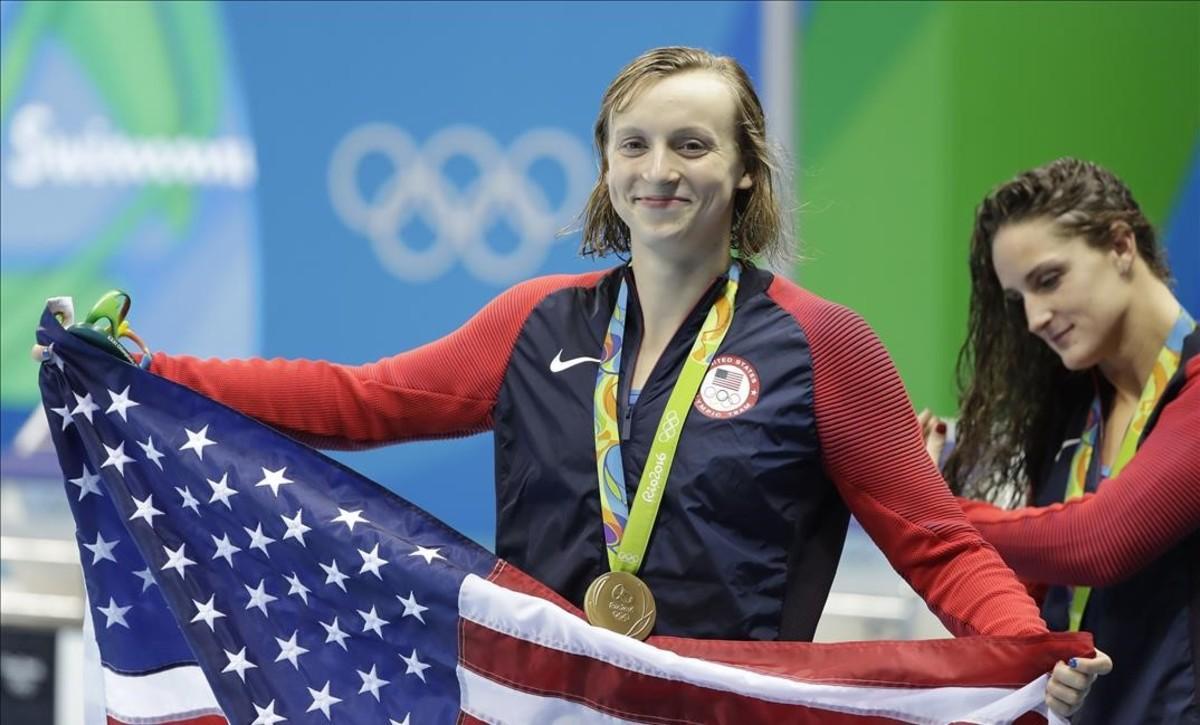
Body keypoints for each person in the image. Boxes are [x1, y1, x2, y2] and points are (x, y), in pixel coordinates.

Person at [39, 48, 1103, 714]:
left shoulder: (825, 343)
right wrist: (157, 370)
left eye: (693, 143)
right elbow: (354, 400)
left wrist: (1024, 651)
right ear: (605, 166)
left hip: (717, 711)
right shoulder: (537, 321)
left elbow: (935, 540)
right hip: (539, 706)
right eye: (633, 143)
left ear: (744, 170)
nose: (659, 169)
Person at [920, 158, 1197, 721]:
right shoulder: (1073, 415)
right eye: (1019, 298)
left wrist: (929, 510)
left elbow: (1098, 542)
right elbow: (1022, 602)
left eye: (1048, 280)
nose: (1035, 318)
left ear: (1121, 246)